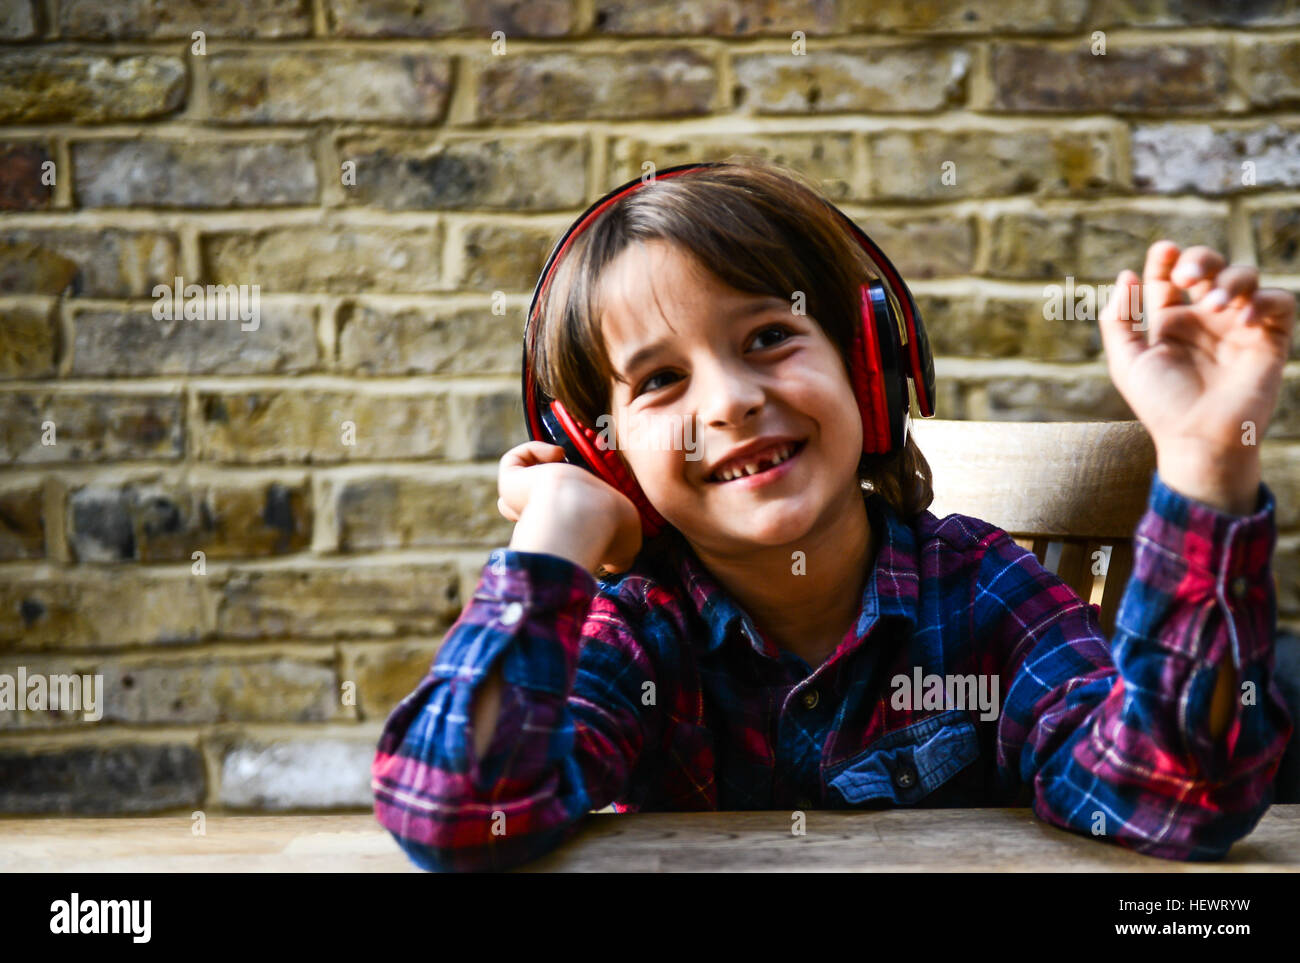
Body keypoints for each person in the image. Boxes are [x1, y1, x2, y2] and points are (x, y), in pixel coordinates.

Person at [372, 159, 1296, 872]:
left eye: (770, 336)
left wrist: (1205, 459)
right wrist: (556, 532)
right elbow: (457, 810)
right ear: (606, 454)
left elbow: (1173, 796)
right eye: (659, 380)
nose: (730, 401)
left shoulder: (983, 592)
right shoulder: (638, 635)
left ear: (868, 368)